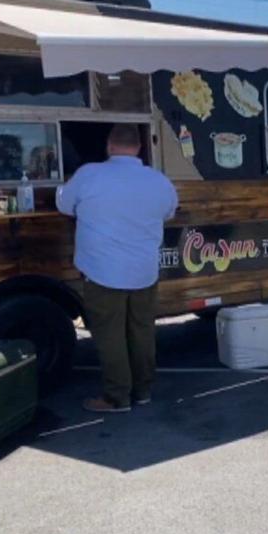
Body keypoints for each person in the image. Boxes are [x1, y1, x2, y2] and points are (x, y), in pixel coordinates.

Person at [57, 124, 178, 413]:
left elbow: (64, 205)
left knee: (110, 334)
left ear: (109, 146)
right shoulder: (160, 181)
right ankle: (143, 391)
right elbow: (169, 212)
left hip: (102, 270)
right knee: (142, 331)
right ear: (138, 148)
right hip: (144, 270)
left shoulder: (89, 175)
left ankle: (116, 397)